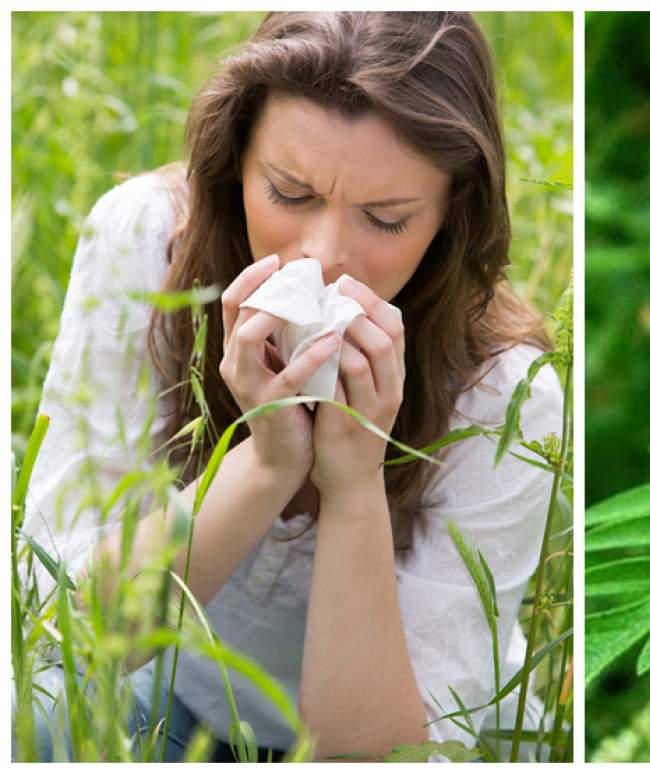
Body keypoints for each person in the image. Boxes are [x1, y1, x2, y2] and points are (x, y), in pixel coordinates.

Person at [14, 11, 563, 762]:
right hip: (168, 701)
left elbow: (375, 757)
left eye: (385, 218)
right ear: (235, 161)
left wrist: (355, 481)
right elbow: (64, 637)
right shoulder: (145, 245)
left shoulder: (503, 391)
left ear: (449, 215)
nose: (326, 255)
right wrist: (264, 461)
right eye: (290, 193)